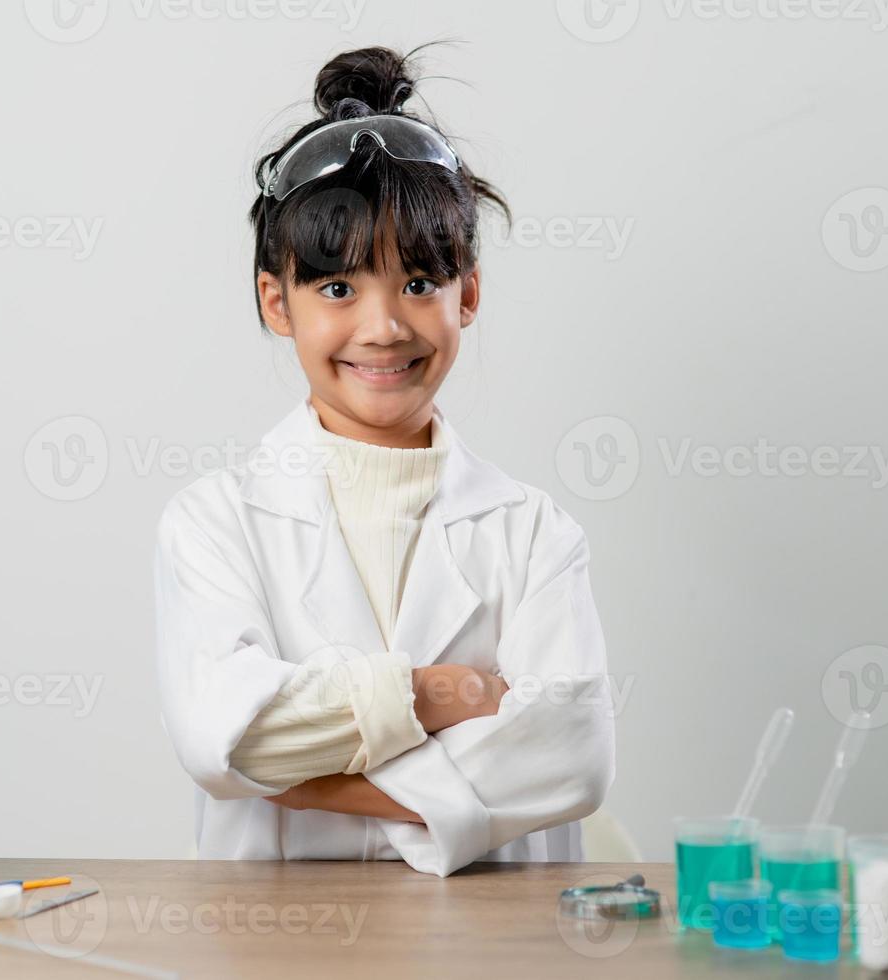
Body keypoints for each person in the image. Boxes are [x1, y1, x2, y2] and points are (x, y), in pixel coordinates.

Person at [153, 43, 615, 877]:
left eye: (418, 283)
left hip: (487, 953)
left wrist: (304, 779)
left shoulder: (535, 531)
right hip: (278, 952)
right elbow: (221, 736)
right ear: (275, 302)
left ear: (466, 293)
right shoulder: (214, 523)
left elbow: (574, 756)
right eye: (337, 288)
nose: (383, 327)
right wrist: (452, 694)